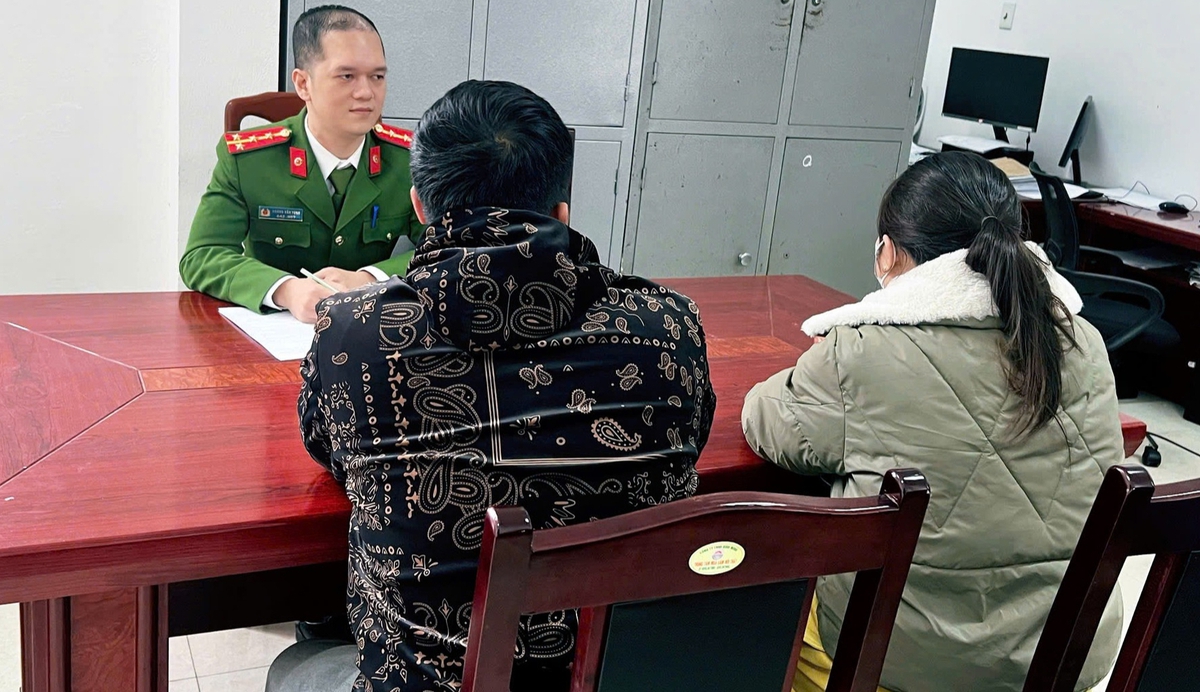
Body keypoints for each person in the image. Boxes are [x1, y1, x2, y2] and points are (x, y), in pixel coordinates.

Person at [270, 80, 716, 692]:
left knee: (299, 662)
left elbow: (328, 450)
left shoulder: (356, 333)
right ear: (562, 211)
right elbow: (690, 443)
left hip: (426, 683)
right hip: (606, 675)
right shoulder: (669, 325)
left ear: (420, 207)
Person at [741, 152, 1123, 692]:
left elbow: (766, 421)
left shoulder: (862, 350)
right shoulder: (1082, 340)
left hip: (896, 665)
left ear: (888, 251)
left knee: (763, 616)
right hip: (1061, 661)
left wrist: (820, 365)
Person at [180, 5, 426, 323]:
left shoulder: (408, 159)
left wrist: (370, 278)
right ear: (303, 84)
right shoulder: (249, 161)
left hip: (369, 329)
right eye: (347, 76)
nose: (367, 92)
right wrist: (286, 290)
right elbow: (202, 255)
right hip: (272, 331)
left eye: (377, 76)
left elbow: (448, 248)